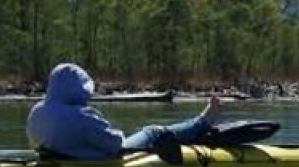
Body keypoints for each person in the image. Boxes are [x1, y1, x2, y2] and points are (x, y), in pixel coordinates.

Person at [26, 62, 220, 160]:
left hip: (56, 159)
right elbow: (115, 145)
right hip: (95, 161)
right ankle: (203, 122)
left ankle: (199, 124)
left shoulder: (37, 111)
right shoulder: (81, 116)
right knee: (153, 131)